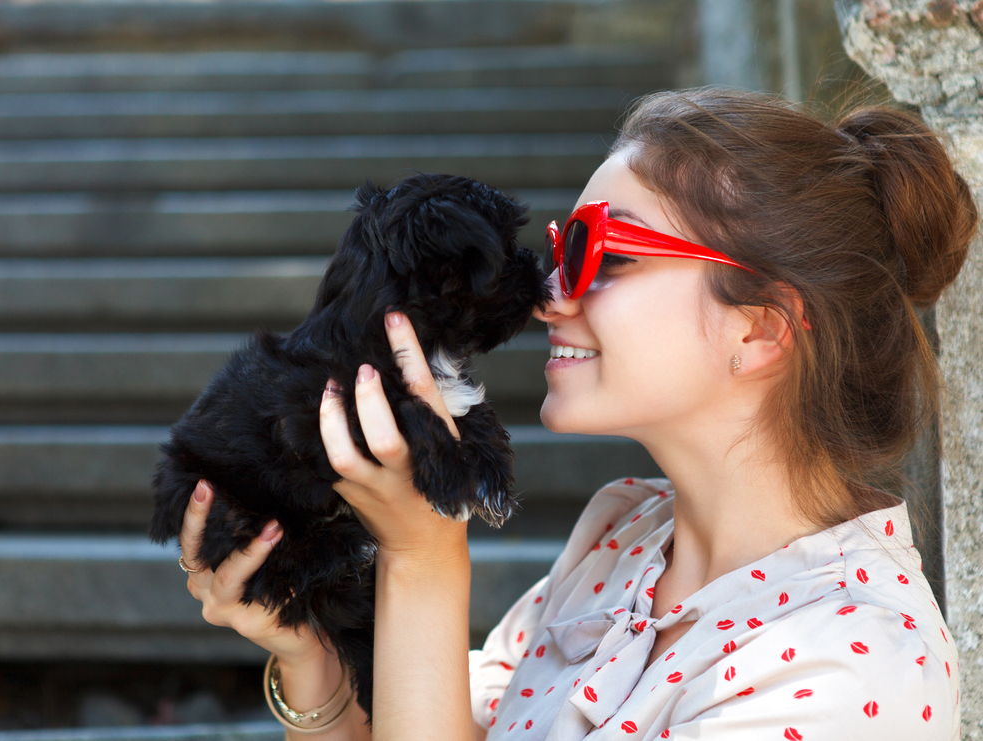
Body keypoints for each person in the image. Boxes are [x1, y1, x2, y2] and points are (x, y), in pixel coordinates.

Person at [175, 88, 977, 740]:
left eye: (606, 253)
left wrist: (422, 557)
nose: (551, 296)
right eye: (562, 248)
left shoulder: (847, 668)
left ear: (760, 326)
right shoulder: (621, 541)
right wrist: (315, 661)